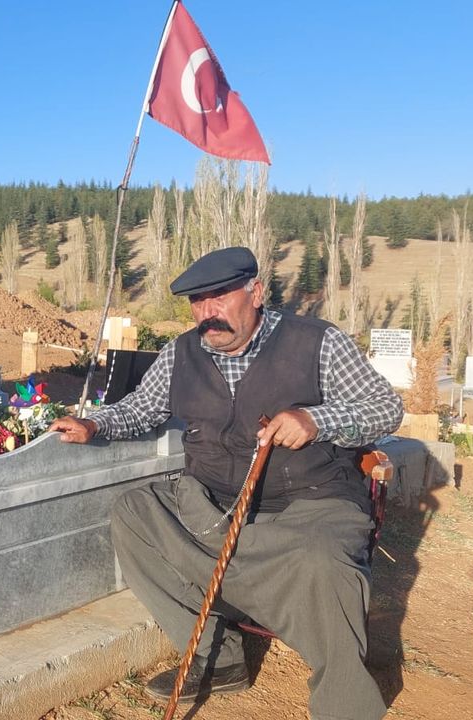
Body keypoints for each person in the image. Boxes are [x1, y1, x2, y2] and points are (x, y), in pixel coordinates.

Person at [50, 247, 402, 720]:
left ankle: (344, 707)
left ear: (255, 293)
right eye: (197, 301)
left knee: (323, 562)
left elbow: (385, 408)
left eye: (218, 296)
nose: (206, 312)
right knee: (135, 513)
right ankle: (220, 657)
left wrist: (316, 419)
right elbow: (141, 408)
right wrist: (95, 425)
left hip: (312, 502)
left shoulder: (317, 342)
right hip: (214, 504)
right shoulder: (181, 353)